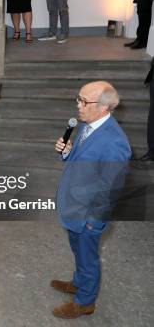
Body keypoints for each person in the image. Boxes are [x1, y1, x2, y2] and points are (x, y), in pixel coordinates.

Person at [52, 81, 131, 319]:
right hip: (75, 207)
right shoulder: (90, 125)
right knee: (78, 251)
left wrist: (93, 222)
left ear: (104, 107)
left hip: (88, 216)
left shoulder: (115, 143)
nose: (78, 104)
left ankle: (85, 302)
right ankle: (78, 283)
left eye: (84, 101)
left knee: (88, 257)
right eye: (78, 98)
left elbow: (110, 189)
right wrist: (67, 152)